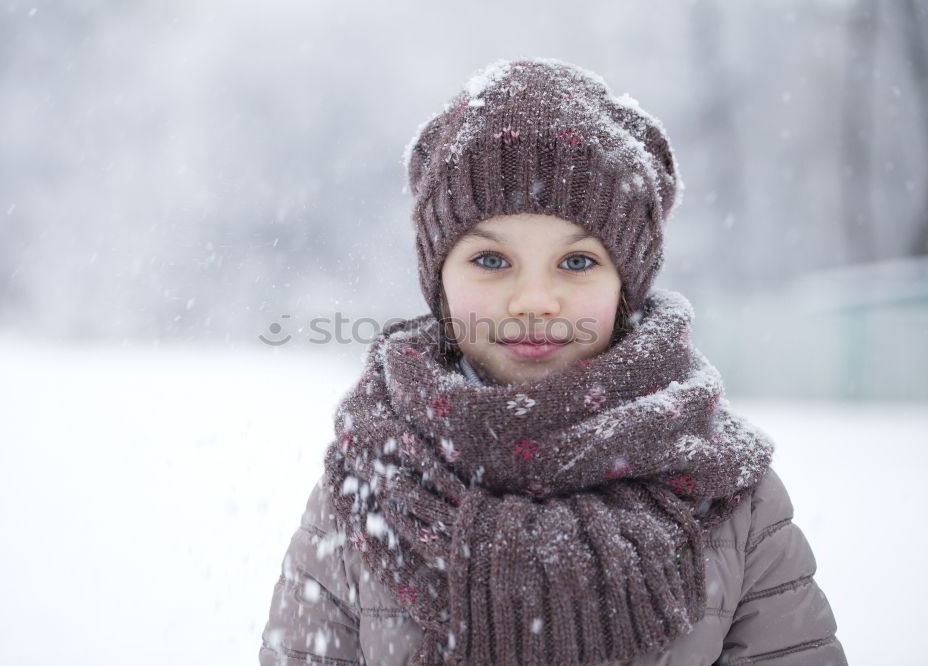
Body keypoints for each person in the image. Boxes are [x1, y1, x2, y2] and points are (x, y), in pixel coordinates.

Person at [258, 57, 847, 665]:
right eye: (491, 260)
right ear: (439, 280)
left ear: (629, 283)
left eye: (576, 262)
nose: (534, 301)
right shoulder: (367, 484)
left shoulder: (726, 489)